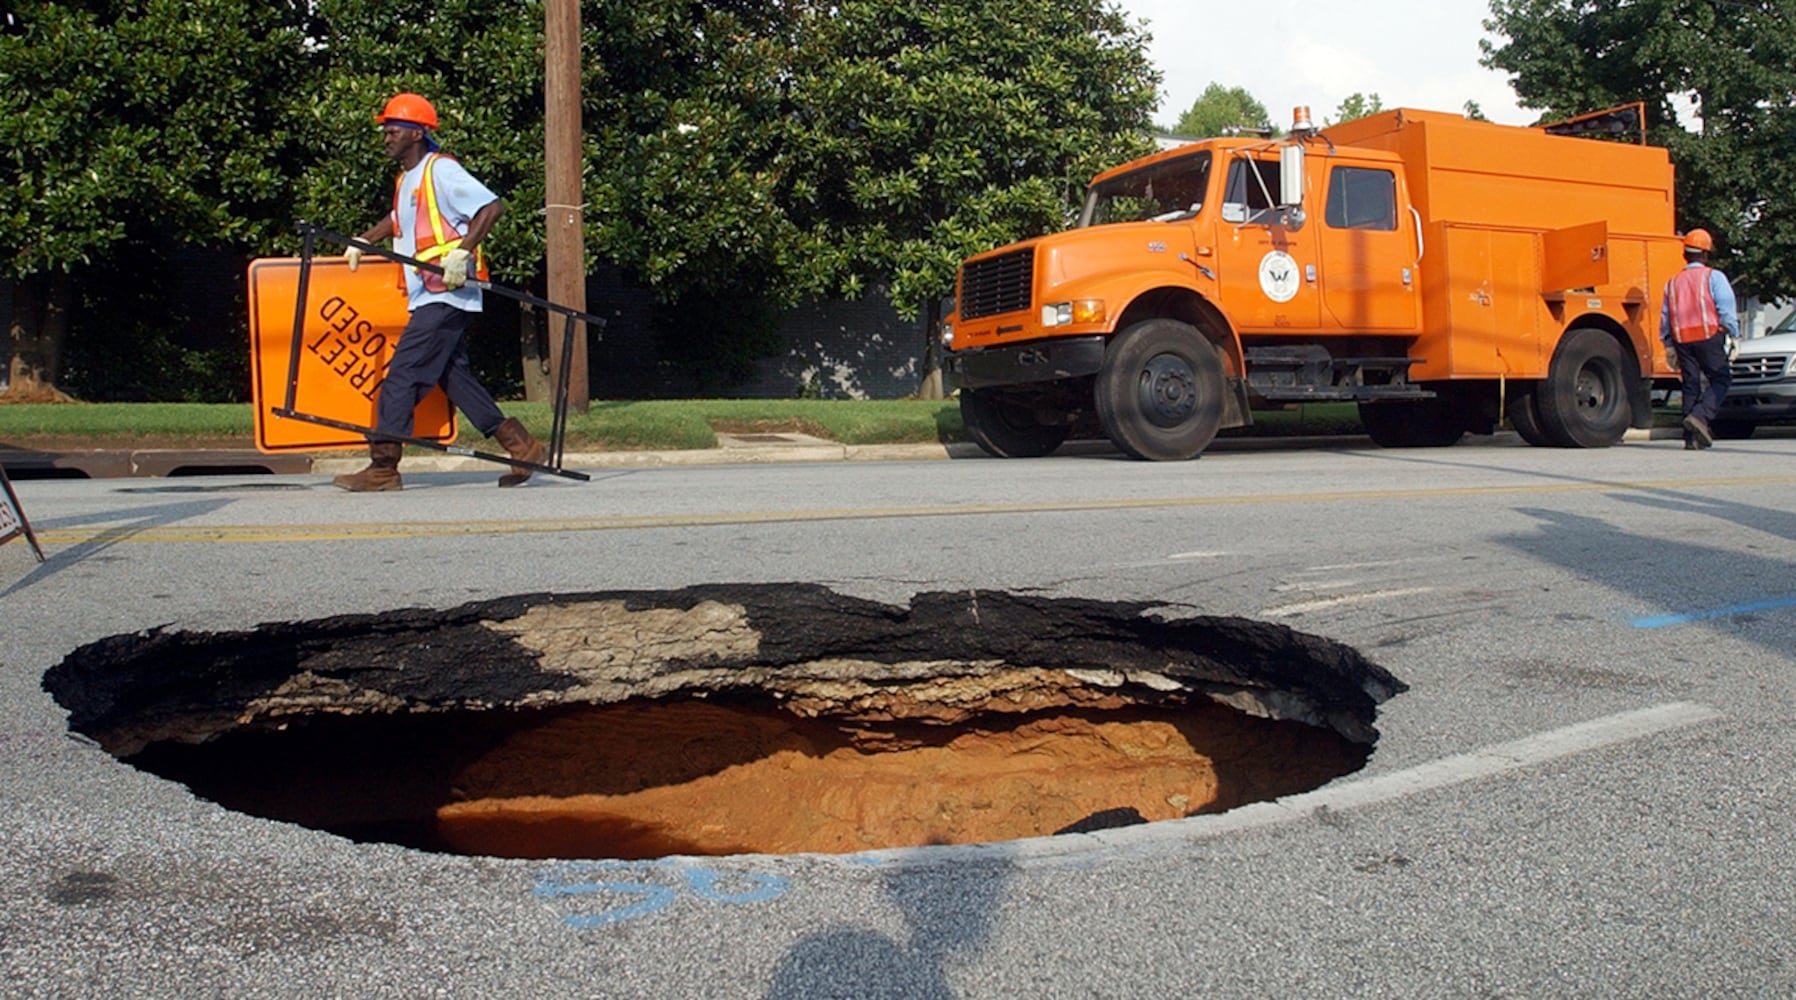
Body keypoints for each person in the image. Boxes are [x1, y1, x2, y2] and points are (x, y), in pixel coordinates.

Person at [333, 92, 546, 491]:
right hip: (429, 293)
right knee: (454, 377)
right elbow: (399, 219)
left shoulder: (440, 170)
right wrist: (363, 240)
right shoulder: (406, 180)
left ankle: (383, 466)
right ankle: (521, 445)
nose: (386, 138)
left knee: (402, 376)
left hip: (445, 291)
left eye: (392, 131)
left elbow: (491, 207)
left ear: (416, 134)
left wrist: (461, 253)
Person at [1659, 228, 1737, 450]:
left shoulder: (1672, 283)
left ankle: (1690, 438)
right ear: (1705, 254)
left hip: (1682, 339)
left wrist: (1668, 344)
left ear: (1685, 254)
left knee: (1691, 385)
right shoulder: (1714, 277)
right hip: (1708, 335)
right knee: (1721, 379)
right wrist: (1735, 334)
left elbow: (1665, 316)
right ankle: (1700, 416)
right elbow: (1726, 309)